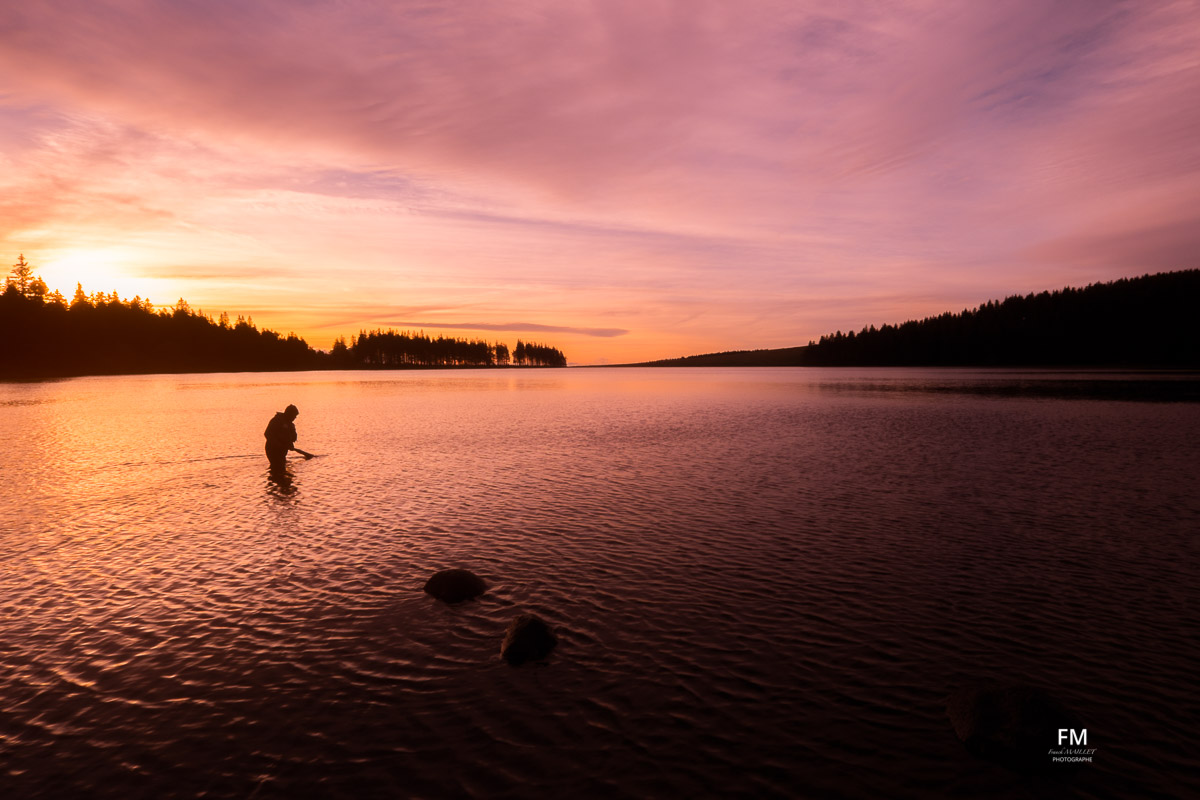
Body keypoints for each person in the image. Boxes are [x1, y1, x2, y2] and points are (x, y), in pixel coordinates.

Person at [264, 404, 300, 471]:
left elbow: (293, 437)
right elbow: (267, 434)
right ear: (289, 414)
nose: (295, 418)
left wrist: (290, 444)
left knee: (281, 467)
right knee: (277, 466)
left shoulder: (291, 425)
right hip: (272, 449)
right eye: (294, 416)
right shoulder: (276, 420)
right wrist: (278, 444)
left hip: (282, 450)